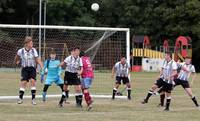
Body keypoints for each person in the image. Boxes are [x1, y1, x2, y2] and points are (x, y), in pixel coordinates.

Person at [15, 36, 43, 105]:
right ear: (27, 43)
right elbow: (17, 57)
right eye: (31, 43)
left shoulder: (34, 50)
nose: (32, 44)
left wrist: (42, 67)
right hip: (24, 69)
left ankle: (33, 99)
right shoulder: (20, 51)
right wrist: (17, 61)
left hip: (32, 68)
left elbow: (37, 59)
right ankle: (20, 98)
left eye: (32, 42)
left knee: (33, 81)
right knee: (24, 82)